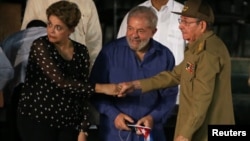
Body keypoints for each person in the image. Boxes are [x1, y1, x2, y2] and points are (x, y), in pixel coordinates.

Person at [118, 0, 235, 141]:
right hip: (197, 129)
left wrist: (184, 134)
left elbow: (201, 100)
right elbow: (174, 75)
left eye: (186, 22)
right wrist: (136, 85)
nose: (180, 26)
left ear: (202, 25)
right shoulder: (195, 49)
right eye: (181, 20)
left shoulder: (207, 53)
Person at [16, 1, 119, 141]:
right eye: (49, 24)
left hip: (68, 122)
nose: (51, 31)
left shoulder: (81, 51)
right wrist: (102, 88)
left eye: (58, 27)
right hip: (38, 119)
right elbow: (61, 81)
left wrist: (84, 128)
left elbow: (82, 94)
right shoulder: (40, 45)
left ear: (71, 30)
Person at [90, 6, 178, 141]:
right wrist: (114, 115)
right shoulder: (109, 53)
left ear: (153, 32)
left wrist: (152, 117)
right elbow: (95, 91)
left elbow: (169, 97)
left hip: (151, 134)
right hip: (114, 134)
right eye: (130, 28)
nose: (134, 35)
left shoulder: (165, 56)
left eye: (141, 31)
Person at [21, 0, 102, 69]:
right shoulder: (35, 2)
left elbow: (94, 45)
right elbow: (26, 39)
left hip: (77, 71)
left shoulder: (87, 3)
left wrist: (91, 78)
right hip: (44, 72)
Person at [117, 0, 185, 66]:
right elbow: (121, 48)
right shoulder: (134, 14)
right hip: (140, 74)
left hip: (175, 75)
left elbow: (193, 52)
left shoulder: (184, 13)